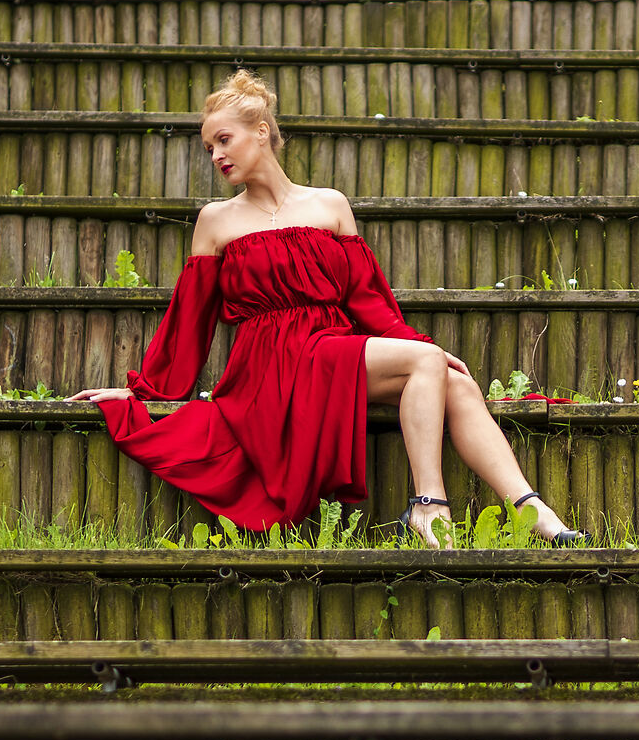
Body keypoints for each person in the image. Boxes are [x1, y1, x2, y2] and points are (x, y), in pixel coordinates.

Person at [70, 69, 583, 546]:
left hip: (331, 350)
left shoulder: (330, 205)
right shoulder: (216, 221)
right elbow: (190, 322)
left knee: (455, 381)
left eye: (223, 140)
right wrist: (145, 392)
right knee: (428, 364)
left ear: (263, 132)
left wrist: (421, 348)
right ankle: (429, 506)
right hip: (270, 367)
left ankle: (531, 509)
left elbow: (369, 301)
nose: (215, 156)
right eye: (208, 148)